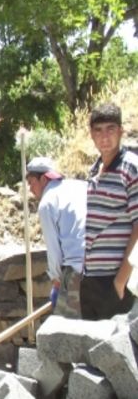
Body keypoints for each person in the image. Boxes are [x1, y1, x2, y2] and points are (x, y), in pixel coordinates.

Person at [81, 103, 137, 320]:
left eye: (111, 129)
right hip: (91, 278)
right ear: (91, 135)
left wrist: (120, 281)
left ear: (121, 131)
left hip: (115, 280)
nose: (105, 136)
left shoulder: (131, 168)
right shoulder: (94, 169)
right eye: (98, 130)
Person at [25, 157, 86, 318]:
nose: (30, 189)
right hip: (105, 264)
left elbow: (53, 250)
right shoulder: (80, 186)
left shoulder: (47, 202)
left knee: (66, 331)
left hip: (77, 269)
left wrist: (57, 282)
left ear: (43, 179)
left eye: (31, 182)